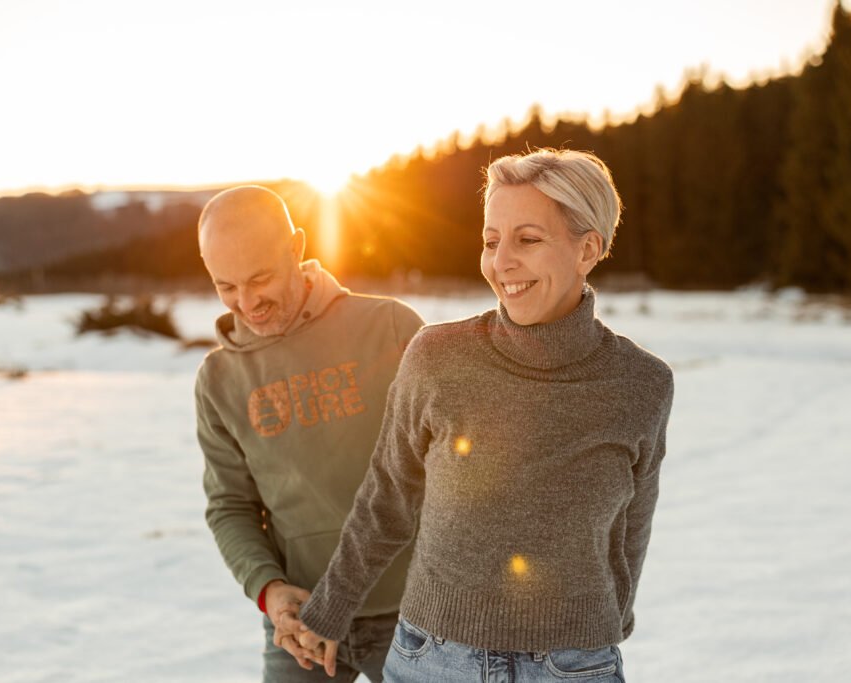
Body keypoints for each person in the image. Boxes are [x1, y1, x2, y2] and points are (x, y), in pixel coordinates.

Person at [294, 150, 674, 682]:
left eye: (528, 239)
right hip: (433, 660)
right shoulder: (436, 356)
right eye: (491, 241)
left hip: (573, 665)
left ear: (588, 248)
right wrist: (329, 611)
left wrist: (605, 624)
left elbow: (632, 524)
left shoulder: (641, 384)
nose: (502, 262)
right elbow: (388, 496)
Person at [194, 185, 424, 682]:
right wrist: (270, 591)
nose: (247, 302)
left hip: (415, 614)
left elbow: (462, 468)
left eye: (260, 278)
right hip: (304, 621)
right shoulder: (219, 380)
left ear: (296, 248)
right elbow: (230, 505)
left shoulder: (389, 328)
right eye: (226, 286)